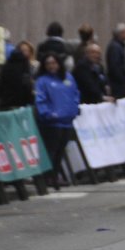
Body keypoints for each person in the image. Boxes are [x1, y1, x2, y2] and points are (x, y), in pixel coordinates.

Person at [33, 52, 81, 189]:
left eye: (53, 63)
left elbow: (76, 93)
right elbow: (40, 100)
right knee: (51, 150)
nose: (51, 66)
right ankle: (49, 176)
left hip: (67, 120)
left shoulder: (68, 77)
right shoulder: (42, 81)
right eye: (48, 63)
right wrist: (47, 114)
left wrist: (74, 108)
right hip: (52, 122)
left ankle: (54, 175)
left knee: (60, 150)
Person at [106, 23, 125, 98]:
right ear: (121, 33)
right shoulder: (115, 47)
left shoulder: (118, 46)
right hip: (117, 85)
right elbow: (115, 66)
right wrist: (123, 80)